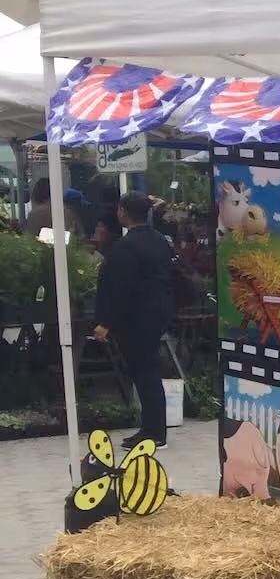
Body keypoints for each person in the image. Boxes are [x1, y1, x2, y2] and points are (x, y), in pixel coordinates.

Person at [92, 193, 176, 450]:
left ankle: (153, 432)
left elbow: (120, 289)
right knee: (149, 371)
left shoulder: (126, 247)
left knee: (144, 373)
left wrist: (106, 322)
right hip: (158, 313)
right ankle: (153, 428)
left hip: (137, 318)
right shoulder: (160, 241)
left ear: (124, 212)